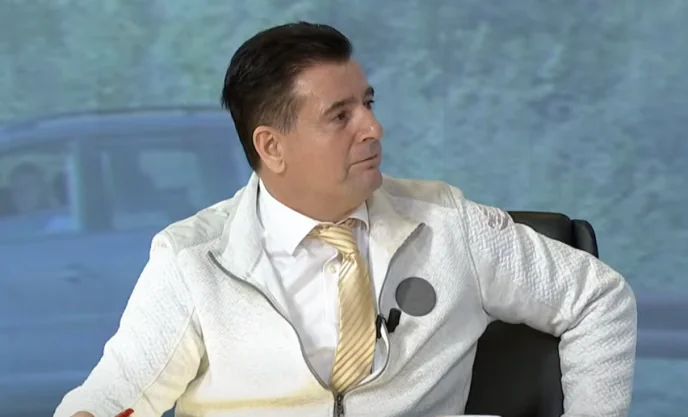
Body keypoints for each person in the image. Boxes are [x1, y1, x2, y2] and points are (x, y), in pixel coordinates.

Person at [55, 22, 636, 417]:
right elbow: (119, 390)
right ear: (272, 146)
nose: (373, 128)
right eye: (340, 116)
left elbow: (598, 298)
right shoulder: (194, 259)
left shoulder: (450, 225)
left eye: (369, 103)